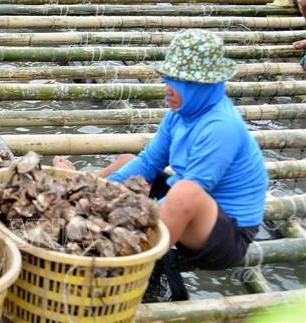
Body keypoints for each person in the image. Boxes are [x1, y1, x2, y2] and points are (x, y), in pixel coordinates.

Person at [54, 29, 269, 301]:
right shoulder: (180, 113)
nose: (168, 87)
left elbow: (191, 190)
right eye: (168, 77)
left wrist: (122, 219)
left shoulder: (220, 127)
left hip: (227, 233)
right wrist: (97, 192)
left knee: (183, 192)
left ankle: (131, 261)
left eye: (178, 81)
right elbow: (150, 160)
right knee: (130, 162)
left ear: (203, 84)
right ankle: (82, 192)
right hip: (192, 206)